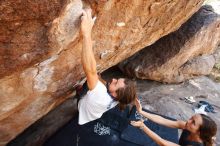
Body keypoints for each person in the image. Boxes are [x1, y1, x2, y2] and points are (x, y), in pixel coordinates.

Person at [78, 9, 137, 125]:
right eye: (117, 80)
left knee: (87, 83)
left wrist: (87, 32)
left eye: (115, 83)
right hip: (93, 111)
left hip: (81, 111)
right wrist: (99, 79)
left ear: (115, 94)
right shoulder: (118, 98)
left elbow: (90, 70)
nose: (113, 79)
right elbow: (104, 84)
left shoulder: (100, 95)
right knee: (96, 79)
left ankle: (79, 93)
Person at [131, 99, 217, 146]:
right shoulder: (188, 126)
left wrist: (143, 127)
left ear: (199, 132)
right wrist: (141, 112)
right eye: (191, 118)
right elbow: (163, 120)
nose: (188, 121)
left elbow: (162, 143)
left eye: (193, 122)